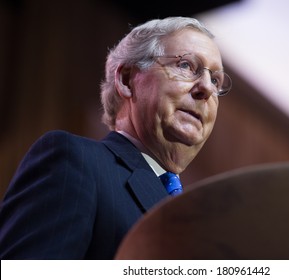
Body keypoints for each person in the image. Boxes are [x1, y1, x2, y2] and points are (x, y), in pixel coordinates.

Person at [0, 16, 232, 259]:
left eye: (215, 80)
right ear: (127, 79)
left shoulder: (199, 223)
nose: (206, 88)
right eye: (185, 65)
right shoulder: (76, 162)